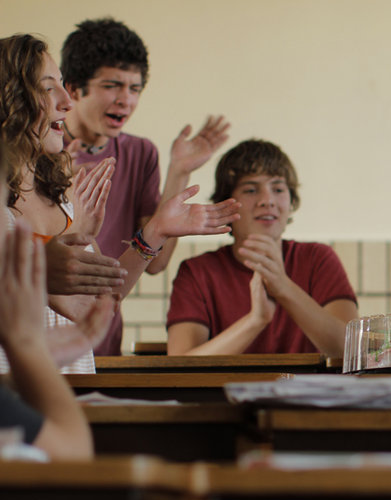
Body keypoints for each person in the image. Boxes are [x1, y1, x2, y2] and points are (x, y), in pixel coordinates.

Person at [0, 33, 240, 373]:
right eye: (48, 87)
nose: (67, 102)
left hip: (71, 391)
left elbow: (99, 302)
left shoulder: (63, 198)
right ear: (9, 98)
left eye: (62, 86)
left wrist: (155, 232)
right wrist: (37, 271)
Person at [60, 18, 231, 355]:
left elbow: (155, 262)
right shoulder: (39, 149)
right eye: (112, 85)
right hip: (41, 339)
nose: (126, 100)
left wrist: (179, 171)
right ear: (74, 89)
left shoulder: (140, 154)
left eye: (135, 89)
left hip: (103, 342)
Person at [166, 139, 358, 357]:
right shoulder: (197, 272)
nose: (268, 200)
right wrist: (255, 321)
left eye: (278, 189)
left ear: (291, 201)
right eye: (250, 190)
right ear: (226, 204)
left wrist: (283, 287)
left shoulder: (318, 259)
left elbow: (351, 350)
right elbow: (181, 365)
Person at [0, 146, 112, 461]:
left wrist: (36, 360)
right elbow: (72, 455)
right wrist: (28, 350)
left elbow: (97, 299)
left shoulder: (64, 199)